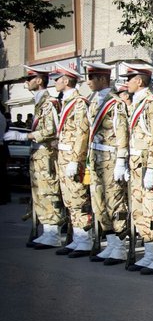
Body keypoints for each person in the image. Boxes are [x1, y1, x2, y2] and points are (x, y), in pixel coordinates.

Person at [4, 66, 63, 248]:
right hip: (38, 154)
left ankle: (53, 234)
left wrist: (24, 136)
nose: (26, 83)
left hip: (46, 154)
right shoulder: (39, 102)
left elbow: (51, 130)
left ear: (39, 80)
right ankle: (47, 231)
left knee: (49, 191)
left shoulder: (49, 102)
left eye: (29, 79)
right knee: (39, 193)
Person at [121, 62, 153, 275]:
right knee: (139, 211)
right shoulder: (136, 103)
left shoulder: (151, 103)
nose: (126, 83)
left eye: (129, 79)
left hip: (148, 166)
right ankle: (150, 253)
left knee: (152, 210)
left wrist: (152, 168)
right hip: (136, 165)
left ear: (139, 81)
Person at [84, 62, 130, 265]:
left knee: (114, 202)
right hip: (96, 160)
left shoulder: (115, 103)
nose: (88, 82)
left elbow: (122, 133)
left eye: (92, 78)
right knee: (99, 203)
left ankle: (119, 246)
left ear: (103, 79)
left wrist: (121, 160)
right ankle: (111, 243)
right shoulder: (94, 101)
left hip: (110, 160)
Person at [52, 63, 93, 258]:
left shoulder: (78, 103)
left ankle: (85, 240)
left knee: (78, 198)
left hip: (72, 159)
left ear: (66, 81)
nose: (55, 82)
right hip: (63, 156)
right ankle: (77, 238)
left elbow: (82, 133)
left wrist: (76, 160)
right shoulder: (66, 102)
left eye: (57, 79)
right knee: (69, 200)